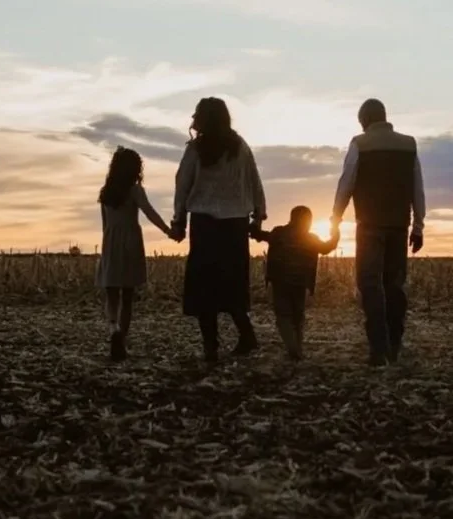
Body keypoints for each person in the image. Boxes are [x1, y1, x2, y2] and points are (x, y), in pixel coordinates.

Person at [331, 99, 426, 366]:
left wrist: (335, 220)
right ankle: (395, 343)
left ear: (364, 120)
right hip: (399, 225)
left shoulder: (360, 144)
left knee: (369, 283)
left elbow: (346, 184)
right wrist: (418, 226)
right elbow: (417, 188)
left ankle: (378, 347)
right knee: (394, 285)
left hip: (369, 225)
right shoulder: (409, 145)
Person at [172, 97, 266, 363]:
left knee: (205, 287)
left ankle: (210, 347)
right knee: (233, 283)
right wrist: (258, 215)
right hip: (234, 225)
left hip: (204, 225)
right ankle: (247, 336)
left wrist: (178, 220)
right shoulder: (240, 148)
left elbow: (183, 184)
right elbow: (254, 180)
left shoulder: (196, 150)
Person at [97, 147, 174, 361]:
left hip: (110, 243)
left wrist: (106, 247)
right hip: (130, 242)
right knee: (128, 296)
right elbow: (149, 212)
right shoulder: (135, 190)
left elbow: (105, 225)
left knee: (112, 293)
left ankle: (113, 329)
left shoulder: (105, 192)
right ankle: (122, 339)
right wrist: (168, 230)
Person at [253, 205, 339, 361]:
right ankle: (297, 348)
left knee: (283, 316)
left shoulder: (278, 233)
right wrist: (335, 229)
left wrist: (256, 220)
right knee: (298, 316)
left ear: (291, 218)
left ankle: (293, 348)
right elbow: (328, 247)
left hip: (280, 281)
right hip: (301, 283)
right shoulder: (311, 238)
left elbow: (257, 234)